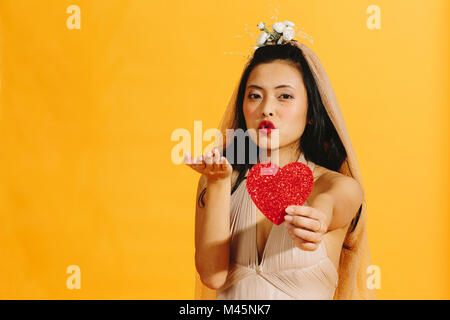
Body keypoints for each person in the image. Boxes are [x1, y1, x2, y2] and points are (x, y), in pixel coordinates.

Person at [184, 23, 375, 299]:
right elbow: (212, 275)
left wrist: (317, 219)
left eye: (284, 96)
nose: (267, 109)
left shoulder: (337, 186)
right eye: (255, 96)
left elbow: (330, 206)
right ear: (243, 106)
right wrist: (217, 183)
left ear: (311, 111)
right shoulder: (221, 180)